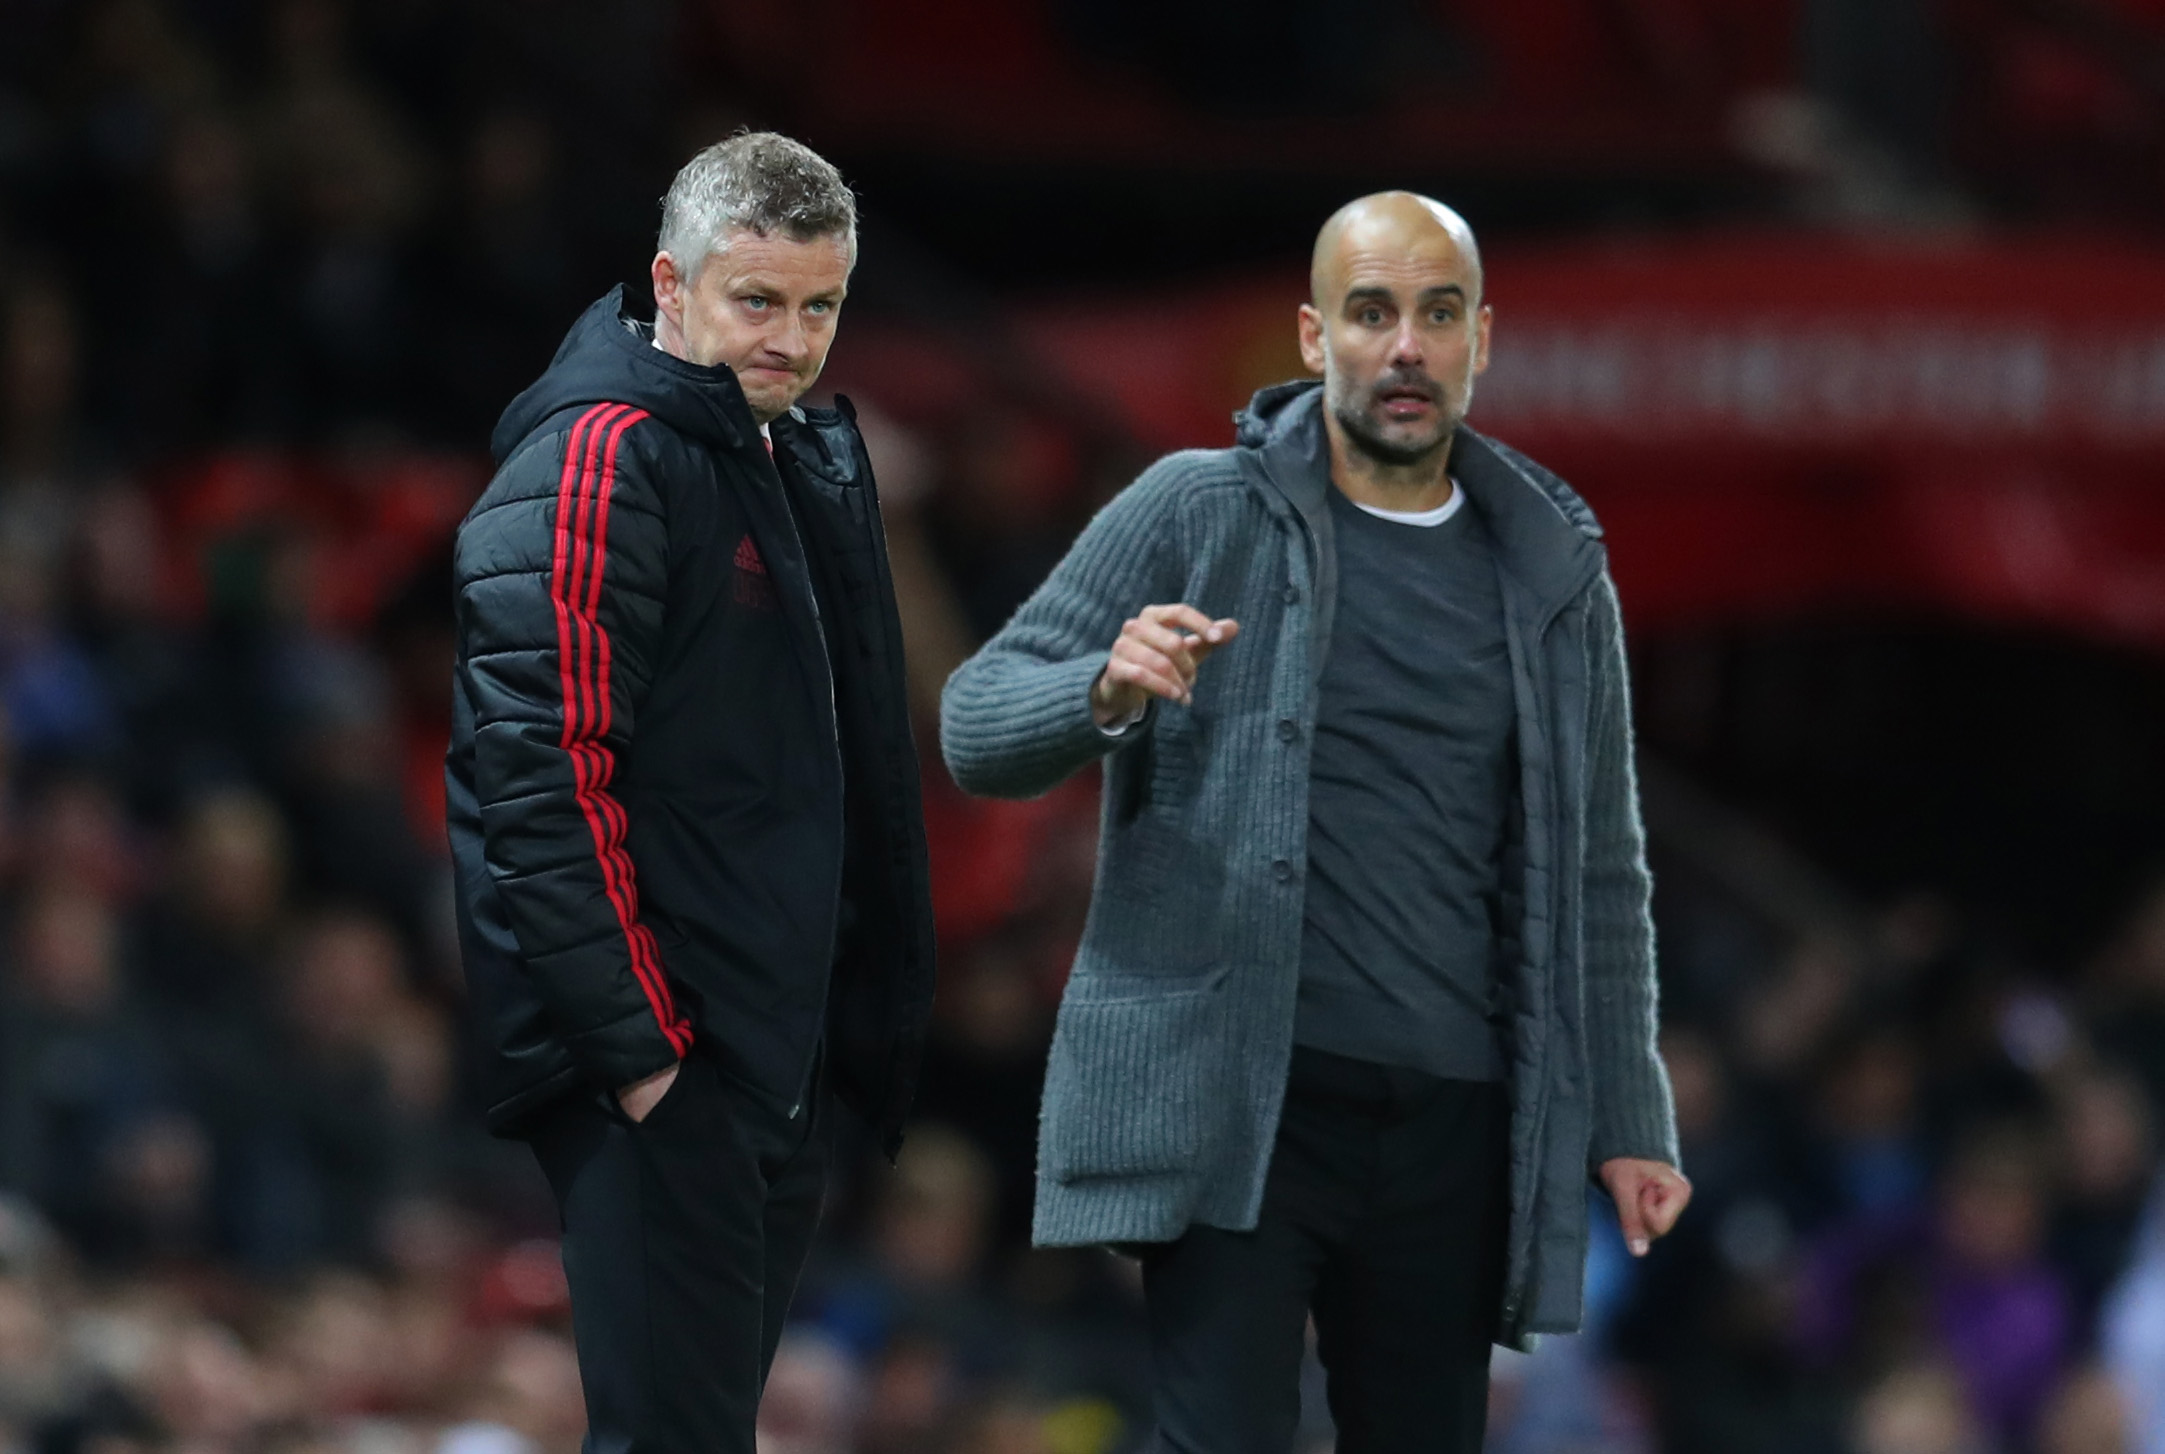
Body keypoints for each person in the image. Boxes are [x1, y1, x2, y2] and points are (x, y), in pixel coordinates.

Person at [941, 192, 1690, 1453]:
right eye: (1371, 311)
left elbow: (1598, 870)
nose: (1405, 346)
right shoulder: (1197, 506)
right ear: (1310, 336)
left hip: (1457, 1120)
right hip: (1243, 1099)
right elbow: (974, 721)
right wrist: (1102, 687)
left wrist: (1627, 1117)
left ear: (1480, 340)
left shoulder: (1555, 569)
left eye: (1437, 315)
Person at [445, 131, 937, 1453]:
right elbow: (539, 772)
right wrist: (644, 1052)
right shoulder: (602, 454)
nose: (790, 338)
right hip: (676, 1058)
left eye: (819, 305)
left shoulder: (767, 453)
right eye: (757, 299)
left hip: (761, 1053)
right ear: (672, 283)